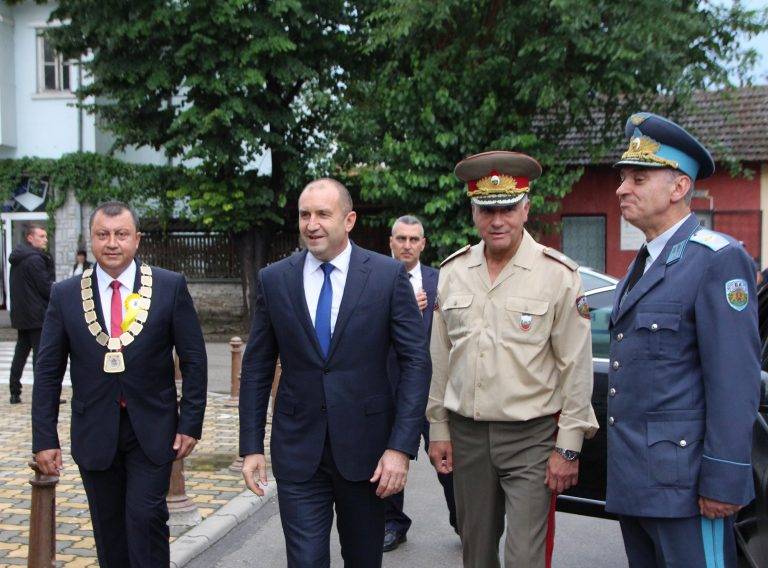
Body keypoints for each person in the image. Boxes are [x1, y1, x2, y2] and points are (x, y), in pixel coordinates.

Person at [239, 178, 430, 567]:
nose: (312, 224)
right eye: (304, 214)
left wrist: (400, 448)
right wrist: (251, 446)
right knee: (306, 560)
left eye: (323, 214)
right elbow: (257, 366)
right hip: (298, 449)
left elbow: (415, 363)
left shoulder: (386, 276)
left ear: (349, 219)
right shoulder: (275, 280)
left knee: (363, 559)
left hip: (368, 454)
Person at [427, 151, 598, 568]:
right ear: (473, 212)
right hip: (467, 437)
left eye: (506, 208)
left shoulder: (557, 274)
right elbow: (441, 357)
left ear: (526, 208)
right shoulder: (452, 272)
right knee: (476, 553)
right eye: (486, 209)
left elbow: (575, 366)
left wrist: (569, 448)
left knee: (525, 557)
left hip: (531, 439)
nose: (496, 220)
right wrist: (438, 427)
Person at [607, 113, 760, 567]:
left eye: (638, 177)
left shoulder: (717, 260)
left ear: (678, 188)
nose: (621, 188)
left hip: (690, 488)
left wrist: (725, 480)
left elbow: (733, 382)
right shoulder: (646, 263)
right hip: (638, 482)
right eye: (622, 178)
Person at [32, 201, 208, 568]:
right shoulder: (65, 295)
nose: (112, 243)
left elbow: (193, 359)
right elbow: (48, 370)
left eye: (121, 234)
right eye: (103, 235)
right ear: (92, 240)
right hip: (94, 430)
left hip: (153, 429)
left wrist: (191, 423)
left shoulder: (168, 286)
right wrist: (44, 438)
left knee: (145, 519)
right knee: (108, 531)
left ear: (137, 239)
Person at [383, 215, 457, 552]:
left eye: (414, 239)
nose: (407, 245)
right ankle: (392, 524)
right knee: (389, 458)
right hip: (389, 387)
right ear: (391, 242)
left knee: (448, 462)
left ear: (423, 244)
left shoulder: (442, 281)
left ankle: (464, 521)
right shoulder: (377, 280)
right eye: (401, 239)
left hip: (434, 390)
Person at [8, 222, 54, 404]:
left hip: (22, 315)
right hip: (36, 315)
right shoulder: (34, 259)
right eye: (41, 236)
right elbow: (45, 287)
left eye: (45, 236)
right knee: (40, 356)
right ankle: (42, 395)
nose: (45, 240)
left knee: (21, 353)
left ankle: (14, 391)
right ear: (30, 238)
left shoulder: (20, 258)